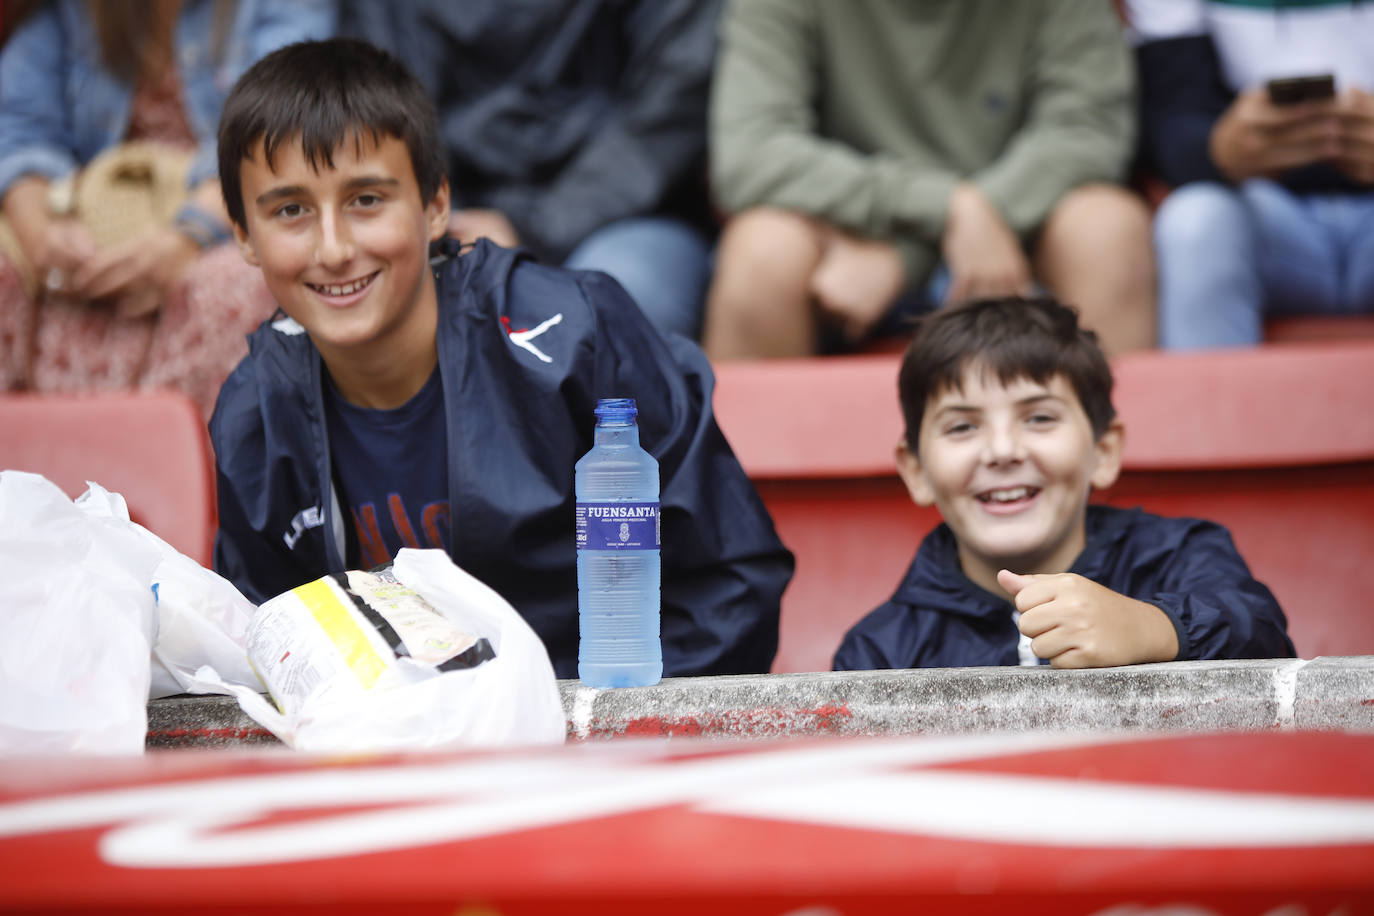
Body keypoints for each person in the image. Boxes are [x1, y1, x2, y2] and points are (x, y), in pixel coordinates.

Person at [210, 38, 792, 679]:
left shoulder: (573, 338)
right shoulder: (253, 417)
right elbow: (269, 648)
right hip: (400, 759)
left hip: (601, 749)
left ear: (435, 206)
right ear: (243, 235)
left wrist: (604, 731)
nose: (333, 247)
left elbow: (729, 584)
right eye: (290, 210)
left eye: (366, 200)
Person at [833, 296, 1294, 670]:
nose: (1002, 451)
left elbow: (1263, 633)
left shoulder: (1181, 555)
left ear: (1104, 451)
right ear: (915, 471)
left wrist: (1151, 628)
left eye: (1039, 418)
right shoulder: (879, 652)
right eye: (962, 427)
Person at [702, 0, 1155, 360]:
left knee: (1107, 228)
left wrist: (909, 258)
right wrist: (950, 208)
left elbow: (1088, 131)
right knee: (761, 250)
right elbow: (750, 153)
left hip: (1018, 235)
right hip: (845, 247)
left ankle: (1124, 467)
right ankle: (748, 472)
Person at [0, 0, 333, 417]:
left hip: (228, 210)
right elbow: (19, 129)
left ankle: (188, 467)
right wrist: (41, 236)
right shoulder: (68, 13)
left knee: (241, 284)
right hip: (92, 221)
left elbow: (279, 130)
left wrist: (187, 237)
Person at [337, 0, 720, 342]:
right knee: (388, 290)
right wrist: (444, 225)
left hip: (625, 216)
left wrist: (528, 227)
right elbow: (385, 112)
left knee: (612, 301)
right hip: (450, 207)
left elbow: (666, 118)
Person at [1129, 0, 1374, 348]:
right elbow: (1166, 120)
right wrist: (1219, 151)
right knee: (1195, 221)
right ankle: (1208, 401)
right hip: (1266, 212)